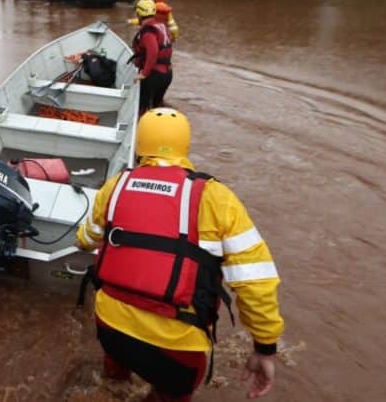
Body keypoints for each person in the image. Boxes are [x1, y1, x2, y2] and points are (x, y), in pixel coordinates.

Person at [76, 108, 284, 401]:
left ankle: (113, 385)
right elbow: (255, 281)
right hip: (176, 349)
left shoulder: (115, 186)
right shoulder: (217, 198)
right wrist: (265, 347)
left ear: (139, 145)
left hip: (111, 327)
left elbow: (86, 238)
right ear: (185, 145)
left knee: (114, 382)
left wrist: (83, 241)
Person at [131, 0, 174, 114]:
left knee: (142, 109)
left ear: (139, 14)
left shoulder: (148, 32)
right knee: (157, 109)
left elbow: (153, 53)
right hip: (167, 74)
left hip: (153, 75)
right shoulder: (162, 26)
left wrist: (143, 74)